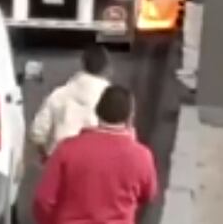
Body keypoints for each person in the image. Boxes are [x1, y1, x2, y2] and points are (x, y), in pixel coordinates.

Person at [33, 85, 158, 224]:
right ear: (130, 118)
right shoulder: (142, 156)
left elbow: (43, 200)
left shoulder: (67, 149)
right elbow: (148, 195)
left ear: (97, 112)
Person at [30, 44, 112, 160]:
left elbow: (37, 131)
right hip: (96, 162)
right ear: (107, 68)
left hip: (62, 158)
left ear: (83, 64)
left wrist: (45, 156)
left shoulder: (60, 94)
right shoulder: (111, 97)